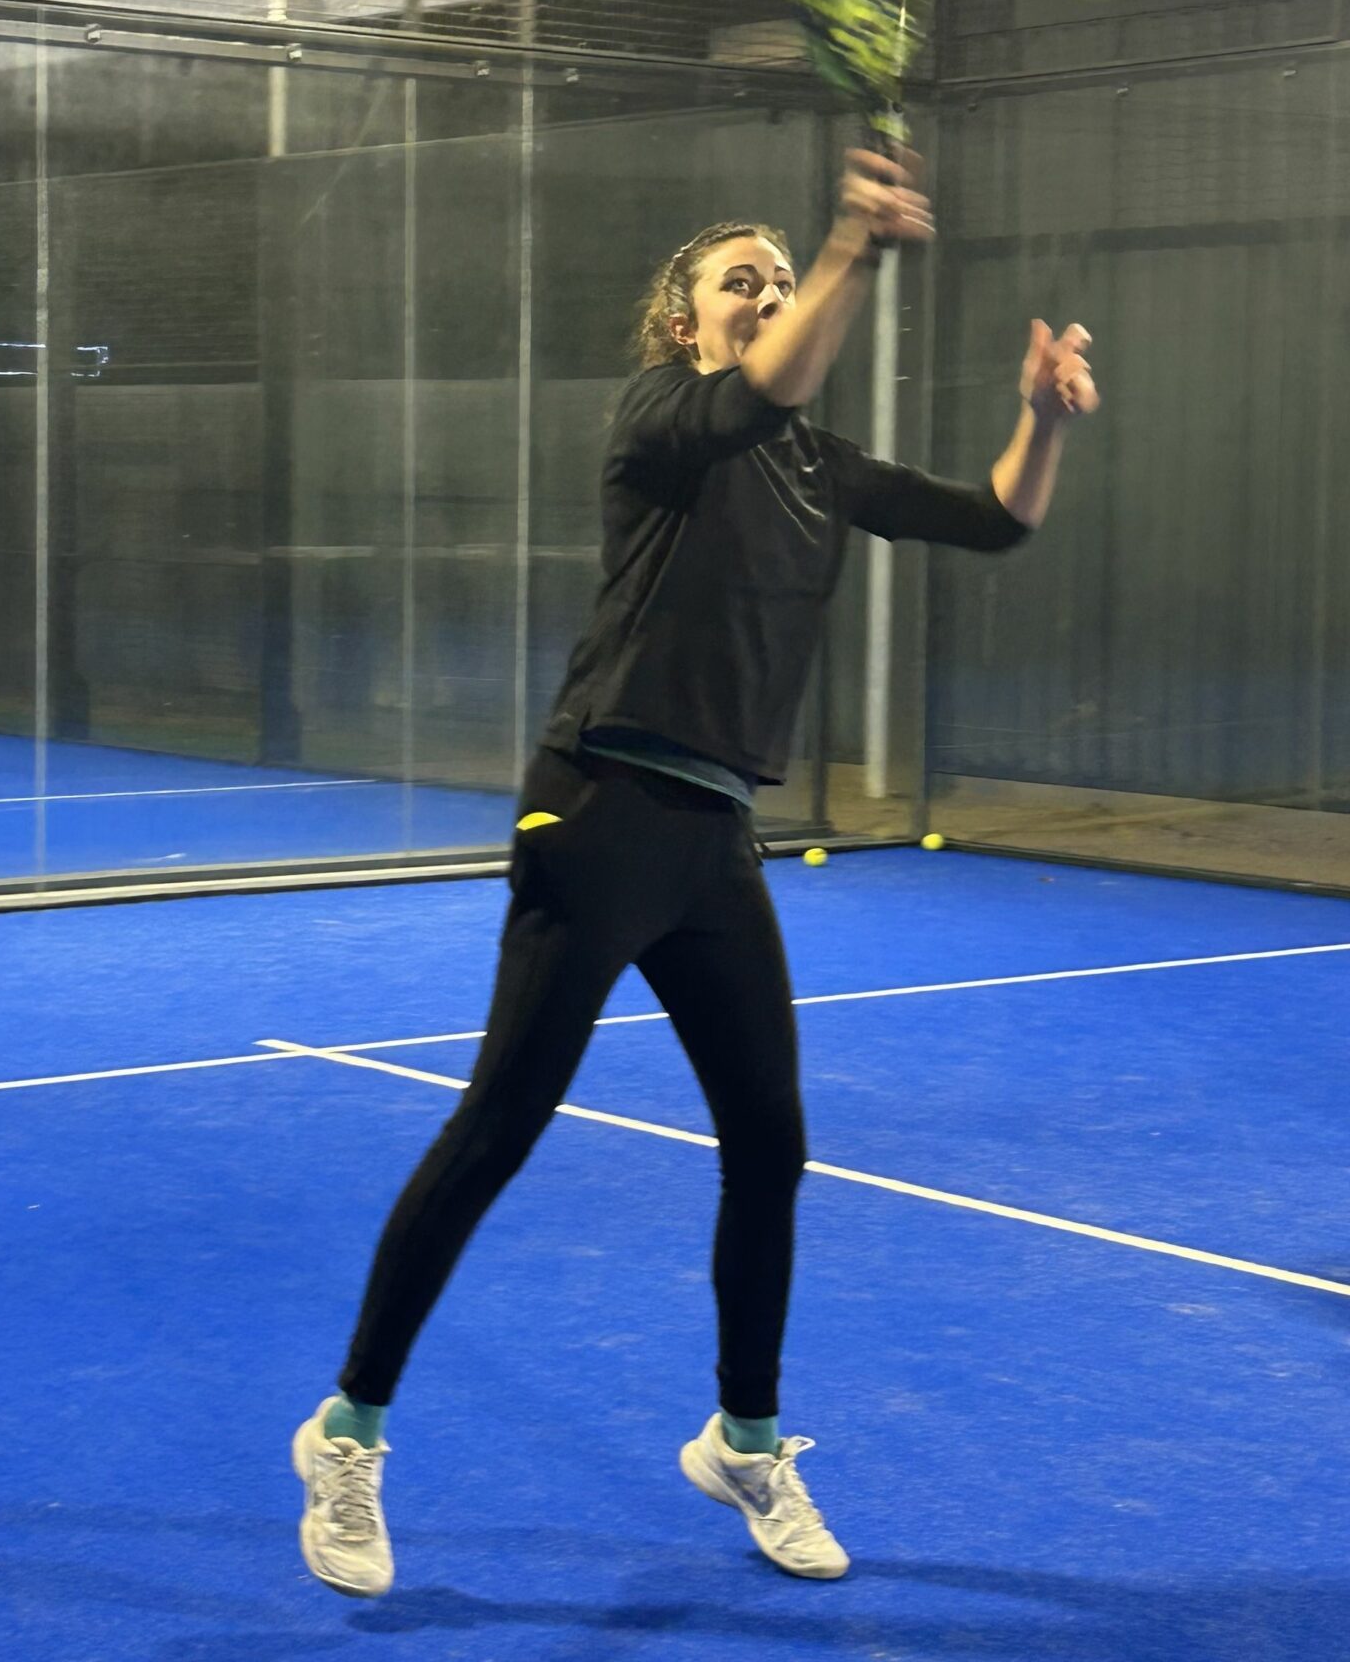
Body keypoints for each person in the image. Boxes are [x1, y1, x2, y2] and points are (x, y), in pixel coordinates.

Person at [292, 147, 1099, 1596]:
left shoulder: (819, 467)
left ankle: (745, 1441)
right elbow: (762, 387)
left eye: (783, 278)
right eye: (746, 281)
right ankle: (347, 1432)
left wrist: (1039, 420)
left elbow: (996, 518)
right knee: (500, 1128)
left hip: (716, 839)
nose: (771, 294)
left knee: (770, 1143)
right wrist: (851, 243)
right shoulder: (666, 415)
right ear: (688, 323)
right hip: (598, 811)